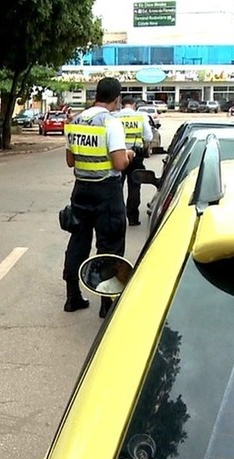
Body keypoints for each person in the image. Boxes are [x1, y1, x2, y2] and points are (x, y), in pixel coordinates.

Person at [62, 77, 135, 318]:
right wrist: (129, 155)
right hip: (107, 190)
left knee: (78, 241)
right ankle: (107, 303)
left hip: (81, 189)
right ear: (117, 98)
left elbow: (70, 161)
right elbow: (118, 162)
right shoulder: (111, 123)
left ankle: (72, 297)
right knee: (110, 245)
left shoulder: (76, 121)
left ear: (96, 94)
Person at [114, 96, 154, 226]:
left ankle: (116, 216)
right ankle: (132, 218)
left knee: (116, 187)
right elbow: (149, 136)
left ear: (122, 104)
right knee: (134, 187)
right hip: (136, 156)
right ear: (134, 105)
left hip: (118, 155)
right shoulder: (141, 117)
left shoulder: (115, 117)